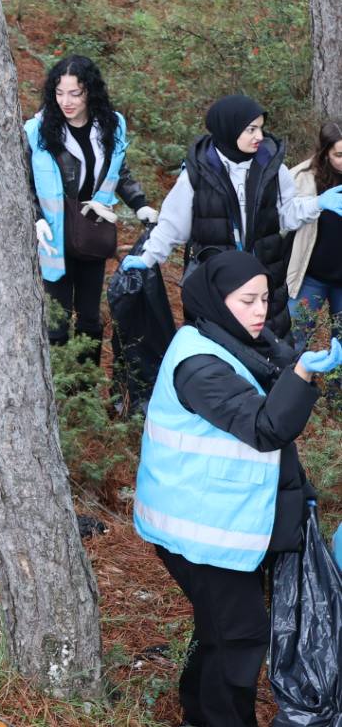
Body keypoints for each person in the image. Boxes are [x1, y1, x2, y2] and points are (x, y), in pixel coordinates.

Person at [133, 251, 342, 727]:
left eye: (265, 298)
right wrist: (304, 375)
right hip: (201, 529)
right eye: (247, 300)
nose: (260, 311)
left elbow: (272, 371)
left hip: (223, 521)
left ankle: (199, 713)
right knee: (242, 635)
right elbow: (266, 428)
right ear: (216, 301)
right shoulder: (199, 365)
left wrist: (296, 365)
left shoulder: (233, 339)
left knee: (220, 629)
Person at [122, 95, 342, 339]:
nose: (259, 136)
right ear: (229, 129)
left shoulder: (271, 168)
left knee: (268, 344)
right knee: (220, 343)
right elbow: (173, 225)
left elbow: (286, 215)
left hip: (263, 277)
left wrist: (317, 204)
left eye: (260, 128)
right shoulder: (198, 174)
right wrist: (148, 258)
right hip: (216, 278)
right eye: (251, 129)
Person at [24, 56, 157, 367]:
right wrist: (37, 218)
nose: (66, 102)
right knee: (56, 318)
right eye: (59, 93)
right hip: (53, 235)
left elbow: (119, 171)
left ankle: (84, 389)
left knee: (89, 317)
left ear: (90, 93)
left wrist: (140, 204)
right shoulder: (39, 131)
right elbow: (24, 182)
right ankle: (56, 386)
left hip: (92, 229)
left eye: (75, 93)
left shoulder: (111, 126)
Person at [286, 121, 342, 348]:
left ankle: (336, 383)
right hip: (309, 277)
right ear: (325, 153)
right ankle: (294, 382)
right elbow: (284, 218)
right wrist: (317, 203)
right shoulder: (302, 177)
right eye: (339, 154)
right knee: (295, 339)